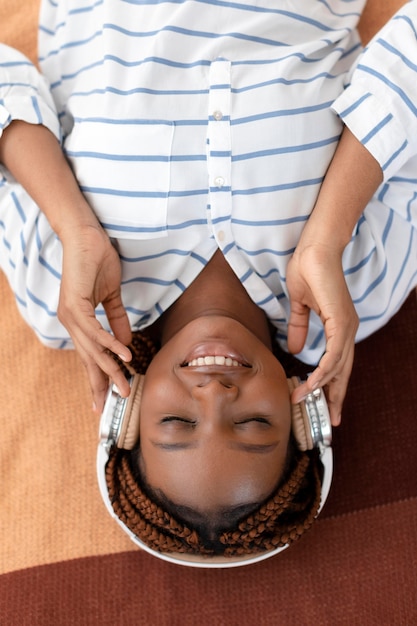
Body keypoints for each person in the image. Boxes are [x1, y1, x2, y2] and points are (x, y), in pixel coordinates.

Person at [1, 0, 417, 556]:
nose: (215, 396)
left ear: (128, 414)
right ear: (300, 411)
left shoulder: (65, 297)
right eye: (252, 424)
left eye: (176, 421)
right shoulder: (358, 290)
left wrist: (74, 224)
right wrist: (327, 235)